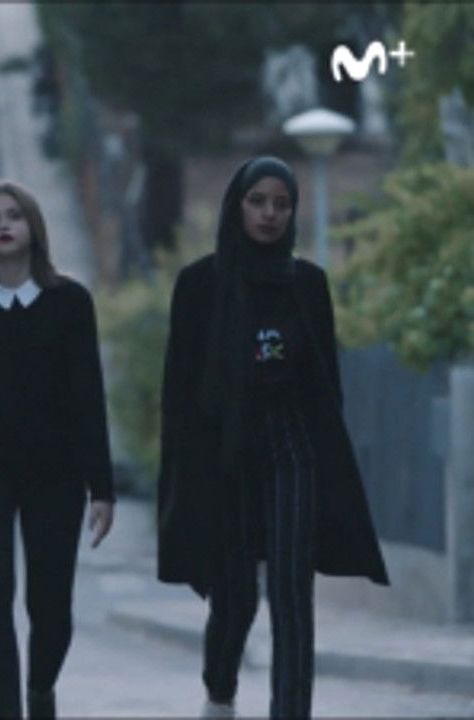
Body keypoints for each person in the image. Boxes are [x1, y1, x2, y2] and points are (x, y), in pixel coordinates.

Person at [156, 156, 389, 719]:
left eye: (282, 204)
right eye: (258, 201)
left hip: (292, 449)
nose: (269, 214)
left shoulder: (307, 284)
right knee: (236, 597)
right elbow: (179, 394)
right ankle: (220, 694)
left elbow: (325, 384)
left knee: (291, 593)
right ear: (236, 206)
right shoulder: (200, 284)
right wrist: (184, 482)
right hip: (226, 456)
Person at [0, 179, 115, 720]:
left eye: (13, 216)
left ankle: (41, 689)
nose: (4, 225)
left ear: (33, 226)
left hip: (57, 470)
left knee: (50, 605)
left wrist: (102, 488)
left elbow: (88, 396)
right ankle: (7, 711)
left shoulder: (70, 302)